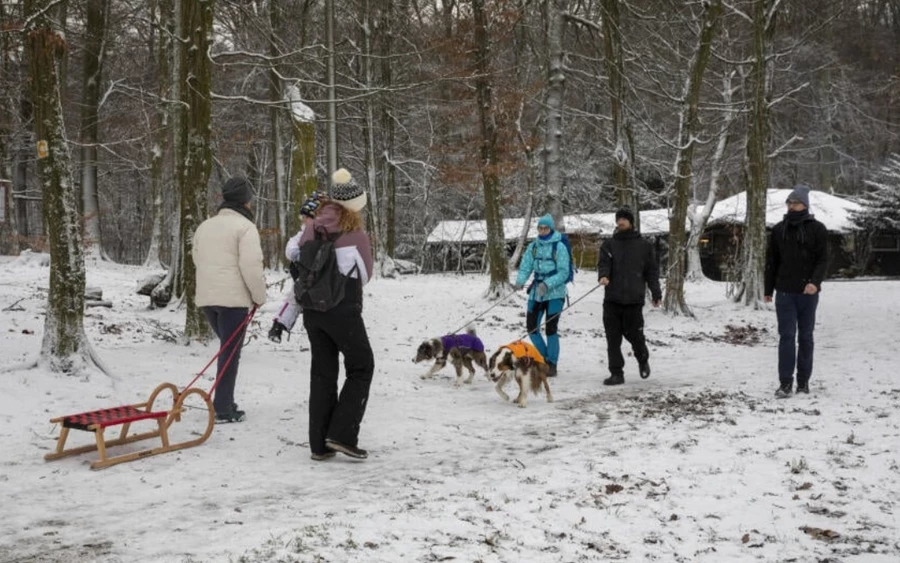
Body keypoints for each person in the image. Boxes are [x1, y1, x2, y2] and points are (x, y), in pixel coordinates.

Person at [301, 168, 374, 461]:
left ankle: (319, 445)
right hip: (342, 310)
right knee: (362, 366)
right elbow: (366, 275)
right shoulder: (355, 235)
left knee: (322, 373)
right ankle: (342, 434)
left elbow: (295, 256)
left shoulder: (310, 228)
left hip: (312, 311)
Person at [192, 177, 267, 422]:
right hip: (232, 300)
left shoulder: (205, 226)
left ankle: (225, 402)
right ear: (246, 201)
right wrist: (259, 296)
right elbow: (251, 266)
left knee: (227, 349)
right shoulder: (245, 227)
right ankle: (223, 407)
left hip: (207, 298)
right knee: (230, 353)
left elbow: (196, 258)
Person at [764, 185, 828, 398]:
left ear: (805, 205)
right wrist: (768, 288)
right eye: (789, 203)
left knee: (806, 337)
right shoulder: (779, 230)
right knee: (787, 337)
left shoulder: (817, 229)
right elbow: (772, 261)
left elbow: (823, 260)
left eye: (796, 203)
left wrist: (815, 283)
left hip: (808, 293)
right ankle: (785, 382)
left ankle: (803, 381)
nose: (792, 207)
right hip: (784, 292)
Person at [596, 207, 662, 386]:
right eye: (618, 219)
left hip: (634, 299)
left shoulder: (644, 246)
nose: (621, 222)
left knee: (635, 335)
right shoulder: (609, 244)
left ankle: (642, 358)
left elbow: (651, 272)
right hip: (612, 299)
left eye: (624, 218)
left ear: (631, 222)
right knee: (613, 338)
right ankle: (616, 372)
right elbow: (604, 263)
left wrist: (656, 292)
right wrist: (604, 275)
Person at [514, 214, 570, 377]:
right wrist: (520, 281)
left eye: (545, 228)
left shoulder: (559, 247)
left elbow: (564, 272)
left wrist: (548, 284)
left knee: (551, 329)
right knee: (532, 328)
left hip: (555, 294)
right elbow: (525, 266)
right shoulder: (534, 247)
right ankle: (543, 359)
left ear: (551, 228)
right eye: (540, 227)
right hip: (536, 293)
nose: (542, 230)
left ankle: (552, 363)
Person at [268, 192, 325, 343]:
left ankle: (280, 324)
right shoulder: (303, 234)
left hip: (323, 279)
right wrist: (301, 257)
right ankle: (279, 325)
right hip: (307, 276)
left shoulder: (327, 233)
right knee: (294, 296)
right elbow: (291, 249)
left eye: (306, 217)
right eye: (303, 217)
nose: (304, 220)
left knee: (298, 295)